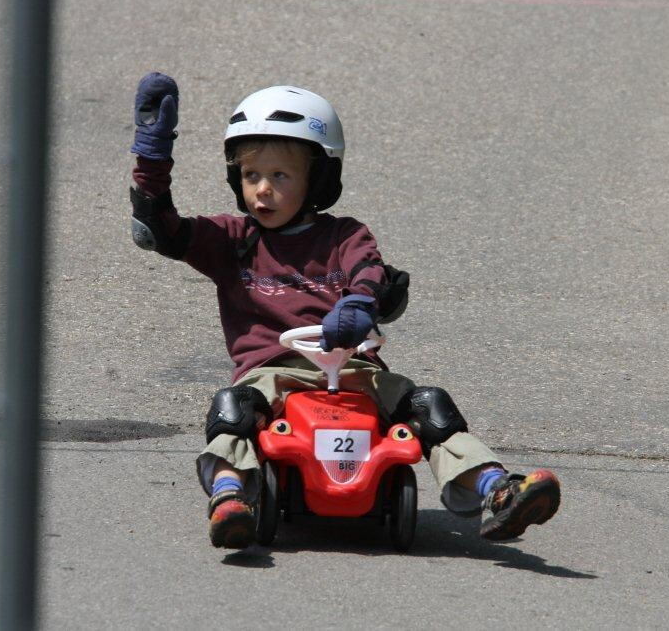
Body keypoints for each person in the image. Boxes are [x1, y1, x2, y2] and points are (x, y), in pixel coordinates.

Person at [127, 72, 561, 549]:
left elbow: (369, 271)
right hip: (273, 372)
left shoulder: (345, 235)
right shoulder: (233, 240)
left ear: (319, 179)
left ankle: (496, 489)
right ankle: (231, 495)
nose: (263, 191)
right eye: (251, 176)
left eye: (280, 176)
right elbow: (160, 231)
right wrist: (152, 160)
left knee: (428, 405)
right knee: (233, 408)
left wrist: (358, 302)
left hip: (354, 368)